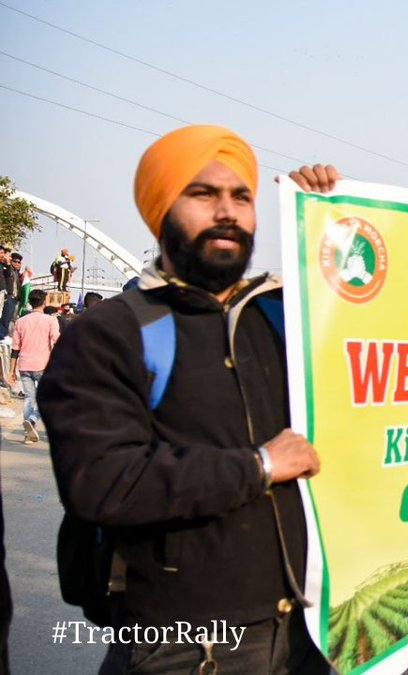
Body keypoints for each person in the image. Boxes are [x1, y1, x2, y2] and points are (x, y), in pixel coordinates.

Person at [38, 125, 330, 674]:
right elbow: (103, 482)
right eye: (203, 194)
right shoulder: (112, 333)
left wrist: (333, 225)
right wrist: (259, 466)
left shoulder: (283, 318)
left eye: (241, 197)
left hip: (307, 637)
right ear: (161, 210)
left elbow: (382, 354)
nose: (227, 211)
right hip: (185, 648)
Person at [8, 288, 59, 444]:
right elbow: (57, 340)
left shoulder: (21, 321)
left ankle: (28, 434)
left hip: (24, 365)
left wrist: (11, 370)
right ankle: (32, 419)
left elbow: (15, 348)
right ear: (44, 303)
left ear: (30, 302)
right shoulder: (51, 320)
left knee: (29, 398)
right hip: (43, 364)